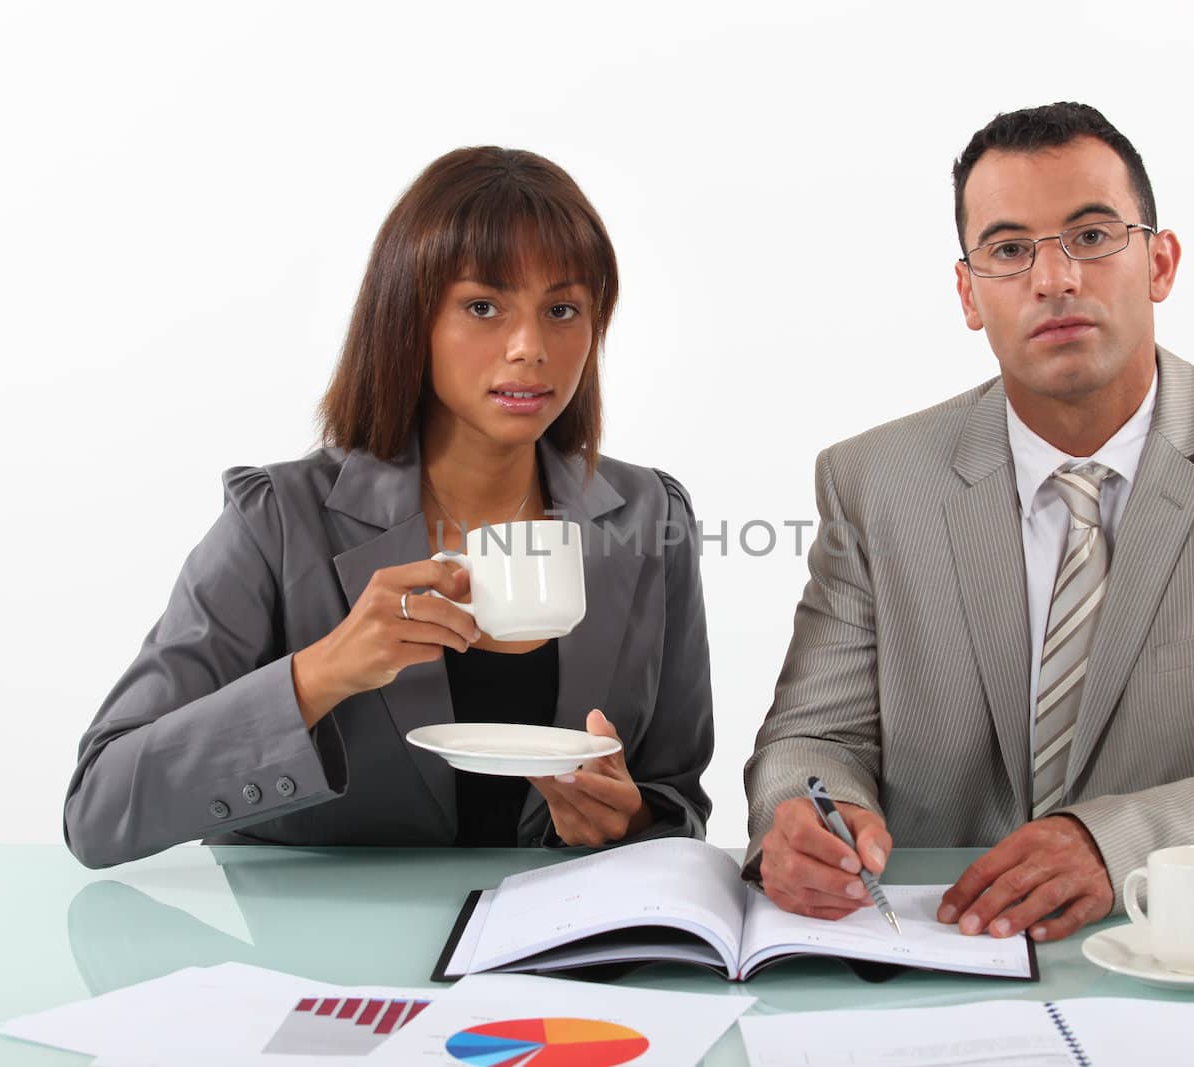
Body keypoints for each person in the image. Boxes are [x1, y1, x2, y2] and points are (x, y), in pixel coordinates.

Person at [745, 102, 1194, 943]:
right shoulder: (874, 481)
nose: (1054, 279)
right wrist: (806, 810)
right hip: (934, 947)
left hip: (1182, 955)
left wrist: (1109, 842)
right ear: (969, 292)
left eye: (1091, 237)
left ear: (1160, 263)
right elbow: (812, 735)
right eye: (1010, 251)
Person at [64, 147, 713, 869]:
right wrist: (322, 673)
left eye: (563, 310)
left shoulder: (649, 516)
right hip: (324, 967)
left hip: (560, 961)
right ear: (410, 319)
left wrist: (629, 819)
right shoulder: (279, 520)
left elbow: (676, 797)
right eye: (483, 306)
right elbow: (99, 806)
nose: (531, 348)